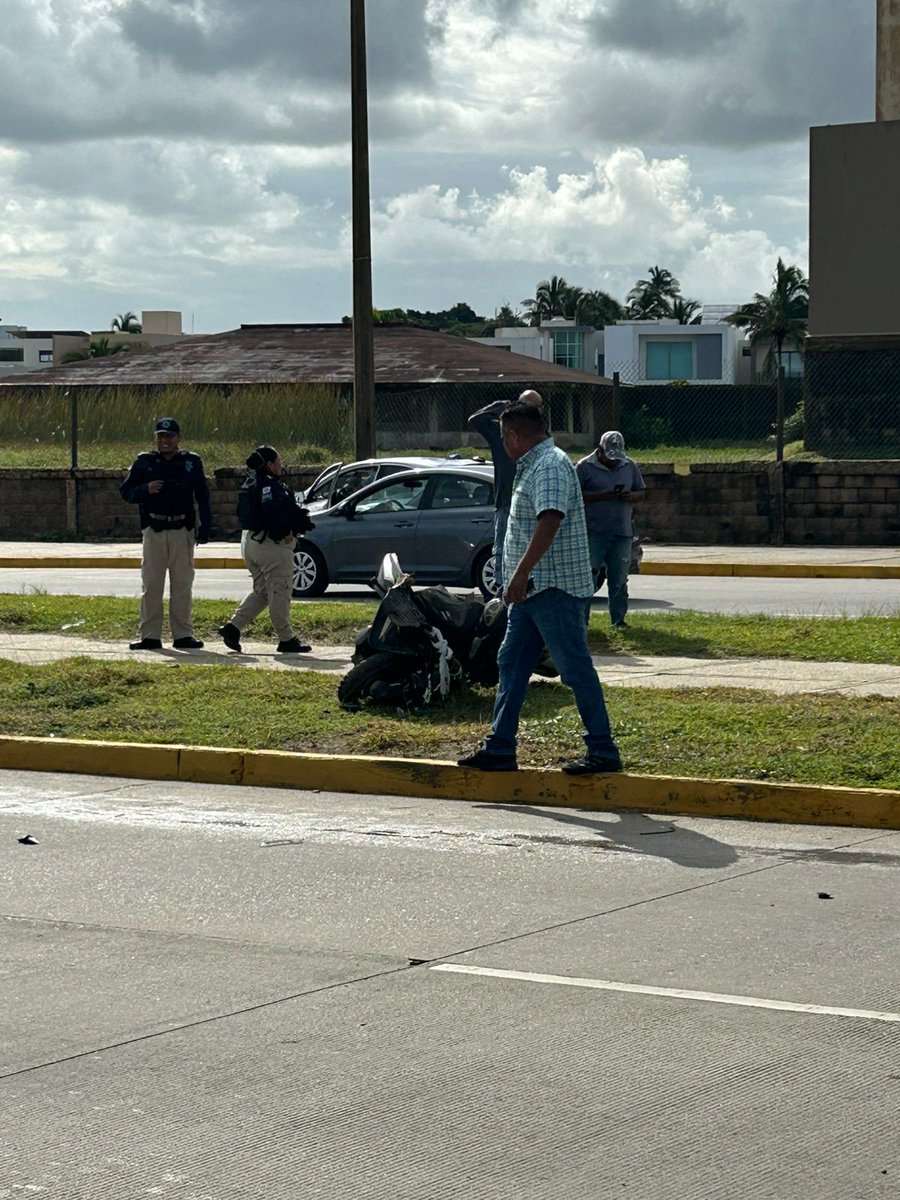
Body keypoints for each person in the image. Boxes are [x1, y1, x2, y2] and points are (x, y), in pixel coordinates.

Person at [458, 402, 622, 776]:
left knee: (574, 669)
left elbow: (550, 520)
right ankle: (500, 747)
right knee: (511, 664)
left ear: (514, 435)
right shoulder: (534, 465)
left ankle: (603, 750)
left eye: (503, 437)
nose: (503, 444)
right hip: (530, 593)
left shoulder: (550, 465)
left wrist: (519, 574)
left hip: (553, 588)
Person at [121, 416, 211, 650]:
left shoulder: (191, 462)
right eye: (161, 436)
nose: (165, 441)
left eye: (169, 436)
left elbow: (203, 495)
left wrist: (206, 527)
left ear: (178, 438)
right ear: (155, 438)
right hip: (155, 529)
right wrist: (145, 489)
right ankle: (149, 636)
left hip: (182, 530)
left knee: (182, 584)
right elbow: (126, 492)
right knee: (152, 585)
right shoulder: (144, 462)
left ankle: (183, 635)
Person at [218, 446, 314, 655]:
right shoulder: (269, 486)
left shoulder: (252, 482)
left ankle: (233, 628)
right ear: (270, 464)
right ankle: (287, 638)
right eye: (279, 460)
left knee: (262, 592)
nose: (282, 464)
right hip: (272, 546)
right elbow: (273, 514)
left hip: (252, 543)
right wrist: (286, 532)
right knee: (280, 590)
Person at [467, 388, 546, 593]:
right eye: (524, 406)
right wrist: (505, 406)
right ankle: (502, 596)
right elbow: (476, 419)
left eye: (533, 408)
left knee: (531, 551)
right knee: (502, 550)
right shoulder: (499, 431)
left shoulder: (542, 437)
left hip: (533, 505)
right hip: (506, 504)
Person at [576, 430, 645, 629]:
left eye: (617, 458)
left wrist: (629, 496)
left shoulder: (629, 465)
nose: (614, 462)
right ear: (600, 451)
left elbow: (641, 492)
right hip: (593, 532)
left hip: (622, 531)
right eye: (610, 457)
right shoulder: (584, 467)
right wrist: (603, 495)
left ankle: (619, 620)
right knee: (588, 577)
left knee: (620, 578)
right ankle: (582, 621)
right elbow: (575, 496)